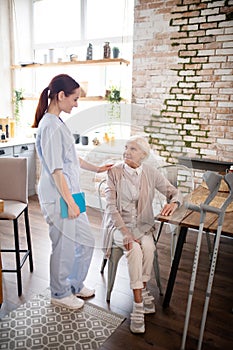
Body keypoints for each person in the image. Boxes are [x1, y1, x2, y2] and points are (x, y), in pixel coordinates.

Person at [32, 74, 112, 310]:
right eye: (75, 99)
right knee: (64, 246)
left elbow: (70, 159)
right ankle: (59, 292)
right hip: (59, 197)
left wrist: (97, 168)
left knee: (86, 241)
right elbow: (57, 171)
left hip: (71, 194)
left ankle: (75, 284)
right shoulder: (49, 126)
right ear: (60, 96)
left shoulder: (58, 123)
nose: (76, 104)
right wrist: (70, 201)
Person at [102, 135, 183, 333]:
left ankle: (143, 288)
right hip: (119, 227)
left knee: (148, 246)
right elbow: (111, 208)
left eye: (133, 149)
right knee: (135, 248)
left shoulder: (150, 172)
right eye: (126, 147)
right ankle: (138, 305)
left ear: (143, 155)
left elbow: (174, 192)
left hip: (143, 226)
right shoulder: (114, 172)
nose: (127, 152)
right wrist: (127, 233)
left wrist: (174, 202)